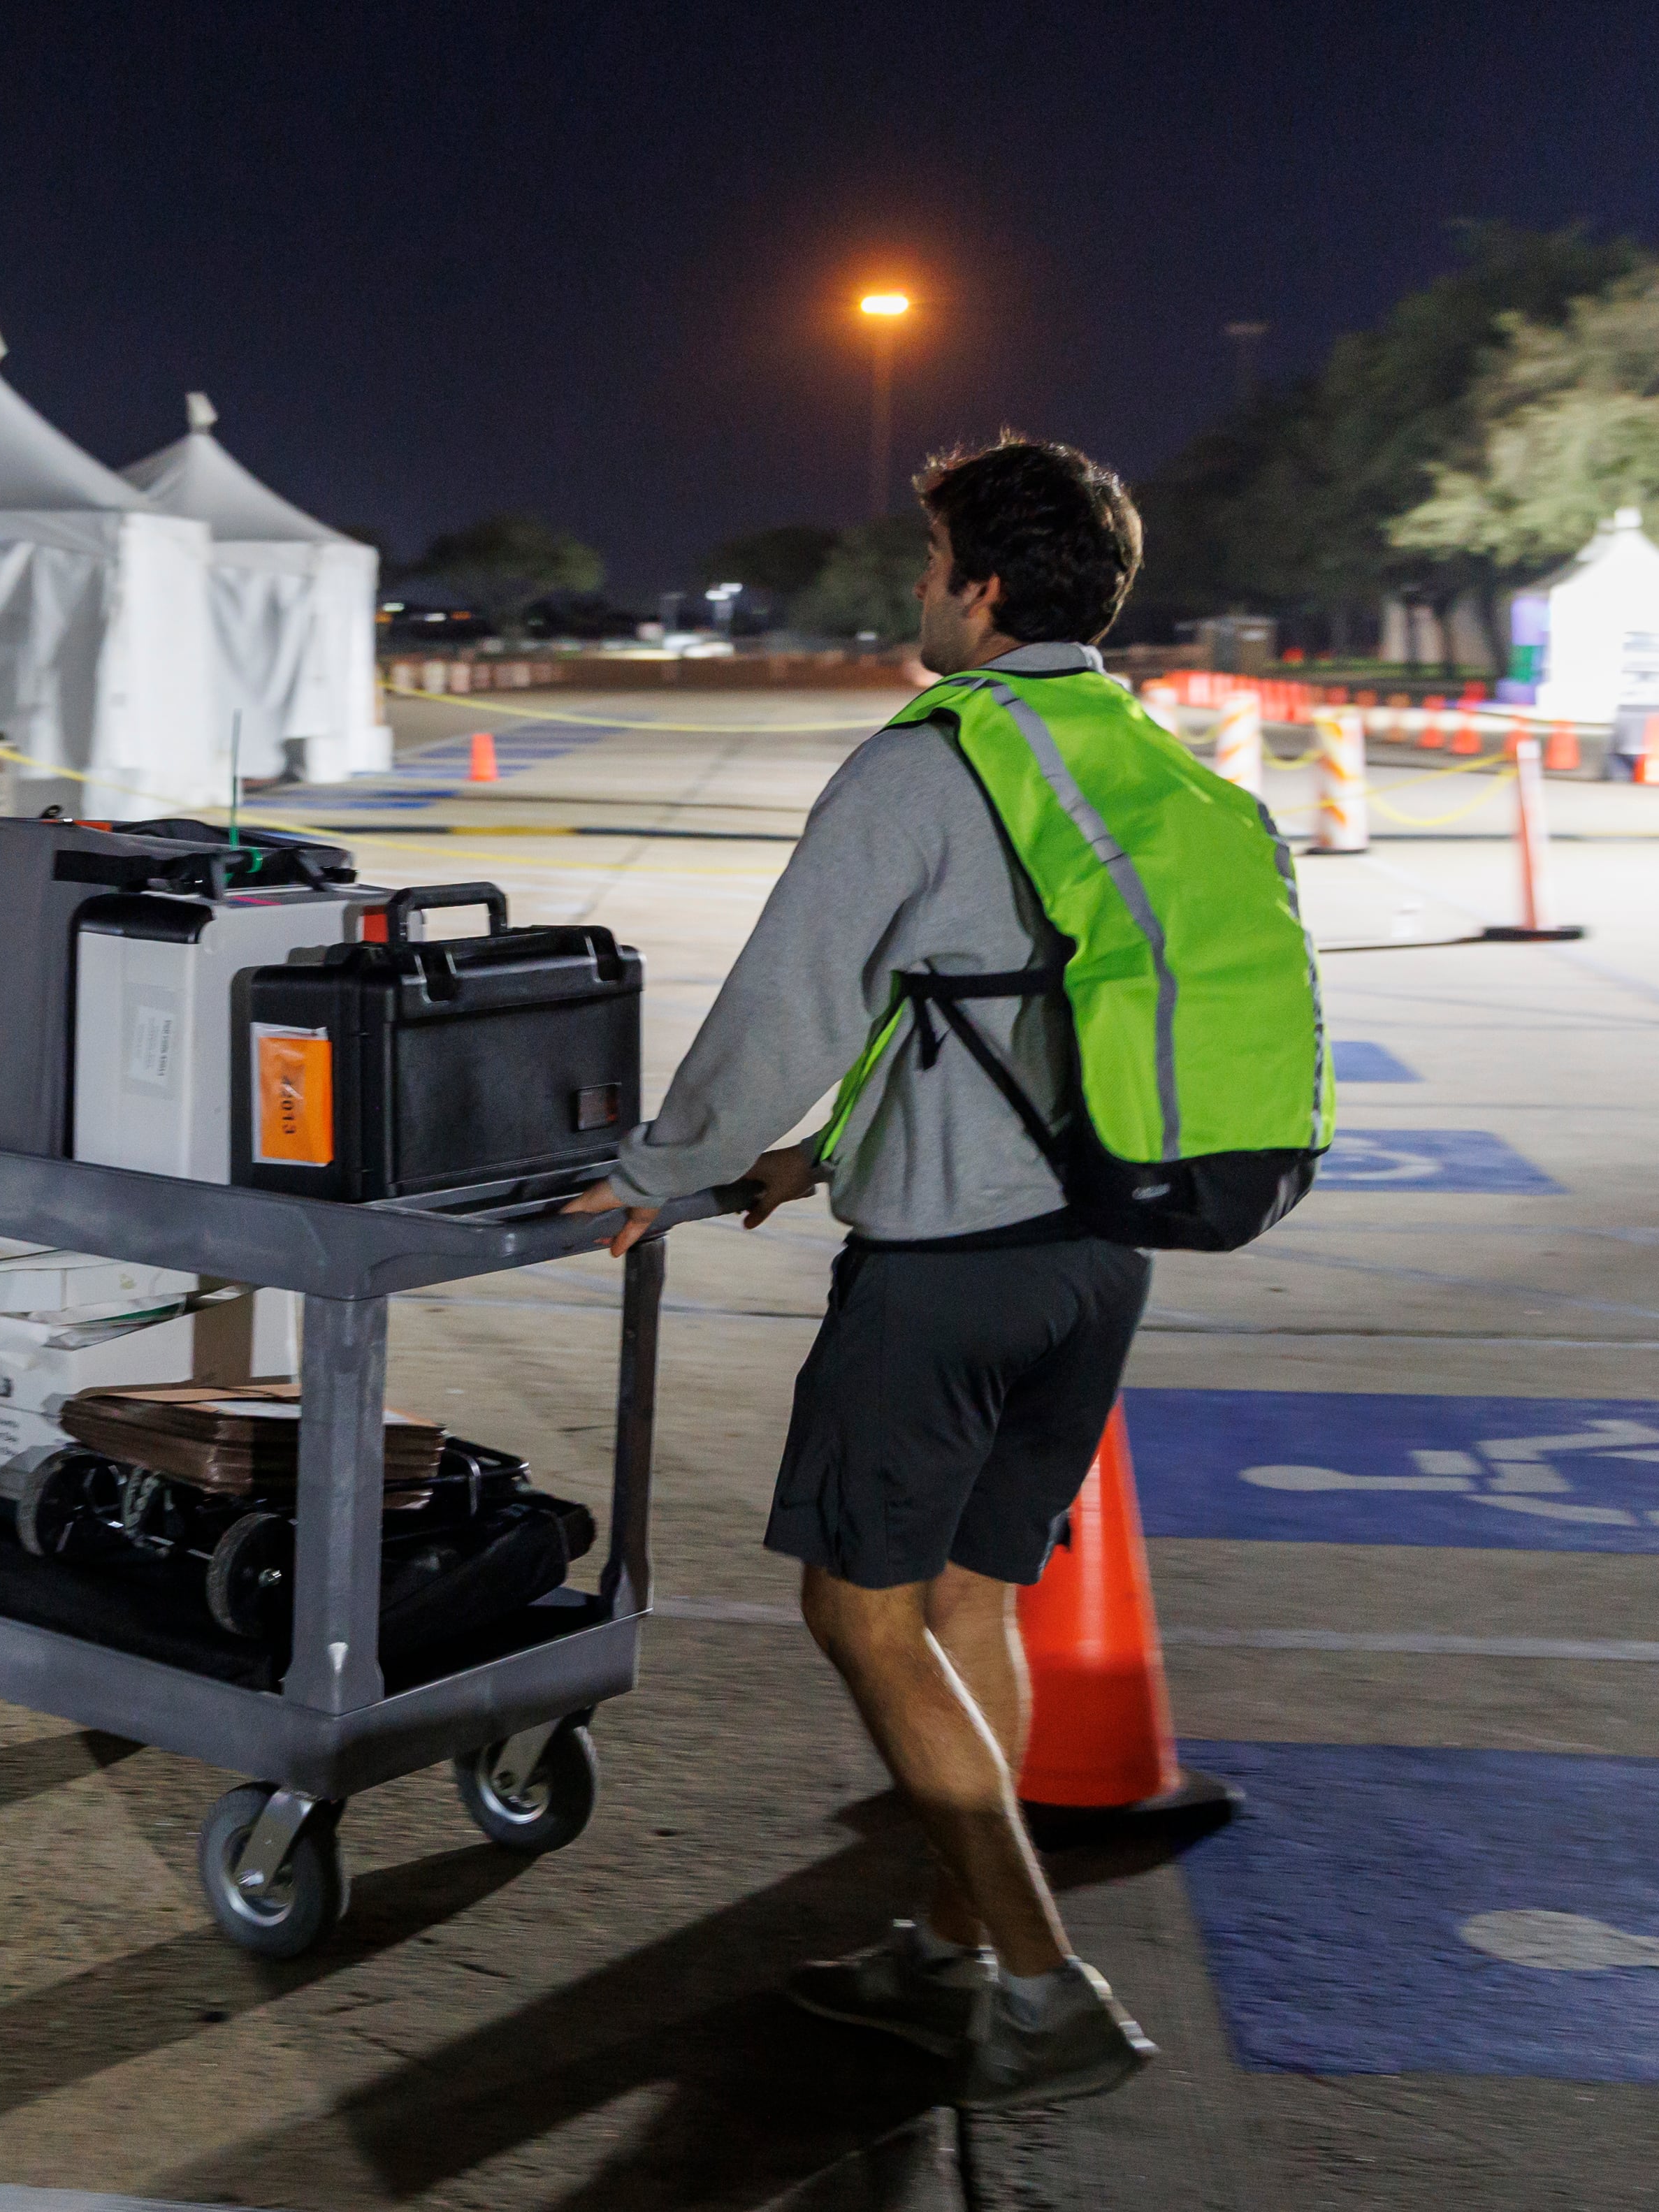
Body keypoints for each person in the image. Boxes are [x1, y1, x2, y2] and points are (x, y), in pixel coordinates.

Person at [560, 436, 1169, 2108]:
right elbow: (1015, 1016)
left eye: (926, 564)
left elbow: (786, 1001)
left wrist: (654, 1173)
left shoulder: (931, 762)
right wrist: (817, 1158)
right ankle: (953, 1944)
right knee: (966, 1603)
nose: (917, 593)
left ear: (979, 589)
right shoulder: (1129, 755)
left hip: (949, 1278)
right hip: (1093, 1262)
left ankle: (1041, 1982)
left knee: (854, 1605)